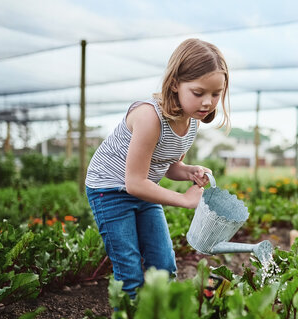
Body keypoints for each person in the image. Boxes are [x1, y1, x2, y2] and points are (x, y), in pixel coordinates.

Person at [85, 38, 230, 298]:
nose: (208, 102)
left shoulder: (191, 123)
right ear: (175, 83)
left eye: (215, 94)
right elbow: (135, 183)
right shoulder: (149, 117)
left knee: (163, 266)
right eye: (199, 93)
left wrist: (188, 171)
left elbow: (168, 166)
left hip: (144, 190)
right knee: (129, 274)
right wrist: (185, 200)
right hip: (110, 190)